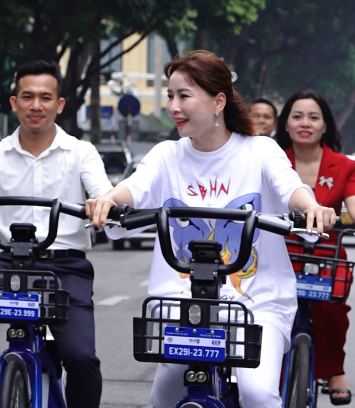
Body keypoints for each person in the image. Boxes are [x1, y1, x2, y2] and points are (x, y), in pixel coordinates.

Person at [86, 50, 337, 408]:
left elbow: (290, 188)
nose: (173, 106)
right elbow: (135, 187)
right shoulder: (166, 154)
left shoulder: (260, 150)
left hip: (257, 304)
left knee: (258, 393)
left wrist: (311, 208)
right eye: (170, 95)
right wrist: (108, 200)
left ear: (219, 101)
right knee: (163, 396)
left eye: (184, 96)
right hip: (180, 303)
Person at [0, 60, 113, 408]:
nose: (36, 105)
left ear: (60, 105)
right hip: (4, 262)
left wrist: (102, 205)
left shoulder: (81, 152)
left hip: (65, 268)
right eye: (27, 97)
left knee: (82, 357)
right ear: (14, 103)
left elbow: (103, 192)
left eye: (45, 97)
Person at [275, 89, 354, 406]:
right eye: (297, 116)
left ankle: (335, 370)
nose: (305, 123)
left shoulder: (344, 166)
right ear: (286, 124)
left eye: (313, 117)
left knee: (332, 309)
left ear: (325, 126)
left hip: (328, 257)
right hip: (278, 254)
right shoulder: (273, 159)